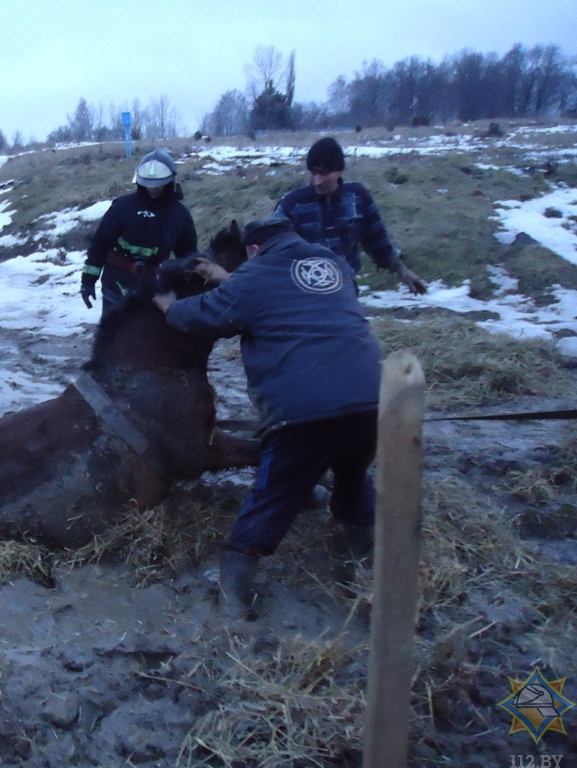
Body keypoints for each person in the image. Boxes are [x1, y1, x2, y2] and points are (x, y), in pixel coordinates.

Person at [154, 217, 382, 618]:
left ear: (254, 251)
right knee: (351, 470)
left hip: (304, 409)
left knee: (275, 491)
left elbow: (207, 314)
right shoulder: (333, 263)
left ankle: (235, 590)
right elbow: (290, 293)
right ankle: (363, 558)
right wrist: (232, 279)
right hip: (372, 399)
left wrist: (171, 309)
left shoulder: (255, 274)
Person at [275, 136, 428, 295]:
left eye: (324, 174)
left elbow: (378, 241)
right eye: (313, 173)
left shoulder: (357, 198)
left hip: (346, 290)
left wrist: (402, 270)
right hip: (303, 291)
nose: (317, 181)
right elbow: (272, 250)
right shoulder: (292, 204)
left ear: (339, 172)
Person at [80, 149, 198, 317]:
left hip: (154, 287)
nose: (152, 190)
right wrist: (88, 281)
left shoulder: (179, 216)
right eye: (148, 185)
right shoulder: (122, 208)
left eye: (158, 185)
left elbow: (188, 255)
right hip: (116, 283)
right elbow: (100, 244)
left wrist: (189, 288)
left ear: (170, 182)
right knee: (113, 338)